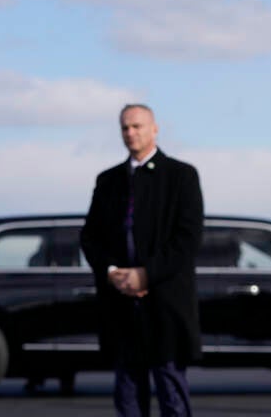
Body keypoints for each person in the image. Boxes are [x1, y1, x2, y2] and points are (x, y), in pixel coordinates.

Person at [81, 104, 203, 417]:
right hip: (121, 305)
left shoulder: (181, 176)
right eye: (125, 128)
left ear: (154, 129)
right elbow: (91, 237)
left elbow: (187, 239)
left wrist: (145, 275)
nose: (130, 133)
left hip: (165, 303)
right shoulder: (108, 180)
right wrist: (113, 273)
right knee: (128, 395)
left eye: (137, 126)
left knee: (171, 393)